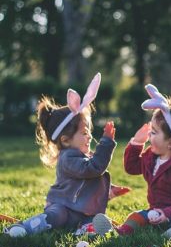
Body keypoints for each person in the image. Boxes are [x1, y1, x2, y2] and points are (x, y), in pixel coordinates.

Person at [4, 73, 129, 237]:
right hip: (63, 206)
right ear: (66, 140)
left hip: (81, 211)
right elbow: (93, 169)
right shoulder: (68, 158)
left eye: (89, 132)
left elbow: (88, 182)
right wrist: (105, 143)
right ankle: (24, 228)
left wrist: (110, 191)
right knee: (57, 216)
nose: (90, 136)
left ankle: (85, 230)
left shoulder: (82, 156)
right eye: (84, 132)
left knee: (92, 219)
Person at [93, 84, 171, 239]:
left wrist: (168, 213)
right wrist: (136, 144)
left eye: (154, 132)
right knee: (136, 216)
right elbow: (131, 167)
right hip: (156, 211)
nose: (149, 136)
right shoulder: (151, 156)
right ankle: (122, 230)